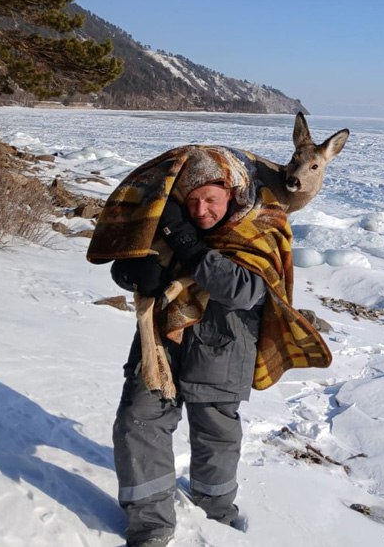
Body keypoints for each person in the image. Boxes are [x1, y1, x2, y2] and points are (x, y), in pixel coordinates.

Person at [111, 171, 267, 547]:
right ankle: (150, 524)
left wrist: (188, 245)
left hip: (223, 344)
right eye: (193, 201)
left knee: (216, 431)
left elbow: (244, 291)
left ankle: (215, 511)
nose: (201, 210)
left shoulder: (257, 229)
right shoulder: (164, 219)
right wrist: (136, 273)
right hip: (160, 341)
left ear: (231, 193)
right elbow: (122, 260)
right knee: (138, 420)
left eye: (211, 200)